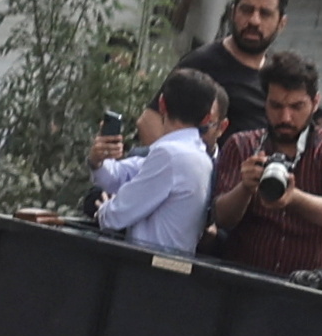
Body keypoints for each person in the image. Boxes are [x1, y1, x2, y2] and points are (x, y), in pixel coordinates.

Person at [208, 52, 322, 276]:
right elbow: (221, 217)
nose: (285, 117)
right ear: (265, 102)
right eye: (276, 106)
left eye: (296, 106)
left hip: (309, 286)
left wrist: (292, 198)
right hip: (245, 280)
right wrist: (244, 188)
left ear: (315, 103)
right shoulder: (242, 145)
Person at [91, 69, 224, 253]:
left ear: (161, 104)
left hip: (149, 264)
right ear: (207, 119)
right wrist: (97, 160)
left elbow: (117, 215)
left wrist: (104, 210)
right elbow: (122, 174)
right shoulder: (197, 156)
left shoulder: (171, 155)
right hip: (171, 263)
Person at [177, 0, 294, 134]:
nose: (254, 21)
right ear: (233, 13)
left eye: (265, 14)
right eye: (246, 10)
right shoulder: (201, 64)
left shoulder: (279, 72)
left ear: (281, 23)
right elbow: (152, 119)